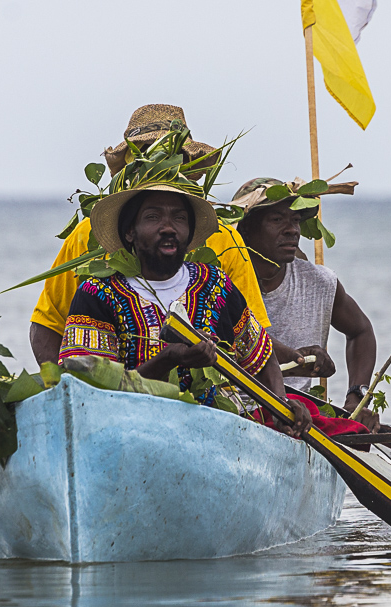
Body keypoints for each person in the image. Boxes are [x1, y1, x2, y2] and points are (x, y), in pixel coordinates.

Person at [30, 104, 269, 368]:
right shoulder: (88, 234)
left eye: (170, 157)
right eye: (149, 157)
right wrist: (67, 394)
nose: (160, 168)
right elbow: (48, 325)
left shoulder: (222, 238)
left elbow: (252, 336)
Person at [59, 184, 301, 430]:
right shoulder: (98, 293)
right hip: (125, 435)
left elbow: (261, 357)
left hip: (211, 437)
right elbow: (87, 393)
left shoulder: (214, 283)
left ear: (190, 231)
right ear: (130, 231)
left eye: (179, 218)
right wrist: (168, 358)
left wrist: (281, 405)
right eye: (153, 217)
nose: (168, 228)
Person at [232, 176, 380, 423]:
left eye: (295, 220)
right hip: (234, 414)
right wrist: (294, 357)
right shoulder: (218, 282)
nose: (292, 230)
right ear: (246, 228)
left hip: (302, 419)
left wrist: (356, 396)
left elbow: (361, 331)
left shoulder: (318, 282)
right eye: (277, 220)